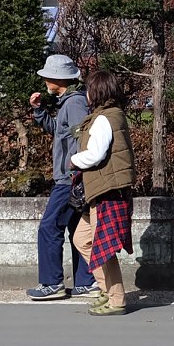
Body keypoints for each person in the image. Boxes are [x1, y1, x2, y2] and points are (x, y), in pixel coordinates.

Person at [26, 54, 97, 300]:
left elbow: (82, 138)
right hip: (74, 176)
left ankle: (52, 283)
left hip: (70, 178)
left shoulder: (74, 103)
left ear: (58, 79)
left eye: (47, 76)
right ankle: (86, 282)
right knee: (77, 229)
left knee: (49, 227)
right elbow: (60, 131)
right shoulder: (70, 101)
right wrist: (39, 111)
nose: (45, 80)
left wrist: (75, 169)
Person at [68, 69, 135, 315]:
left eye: (88, 89)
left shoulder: (104, 119)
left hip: (108, 191)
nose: (86, 93)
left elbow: (95, 155)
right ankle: (108, 290)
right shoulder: (111, 115)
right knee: (82, 239)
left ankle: (116, 300)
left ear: (96, 92)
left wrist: (74, 160)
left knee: (103, 248)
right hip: (104, 189)